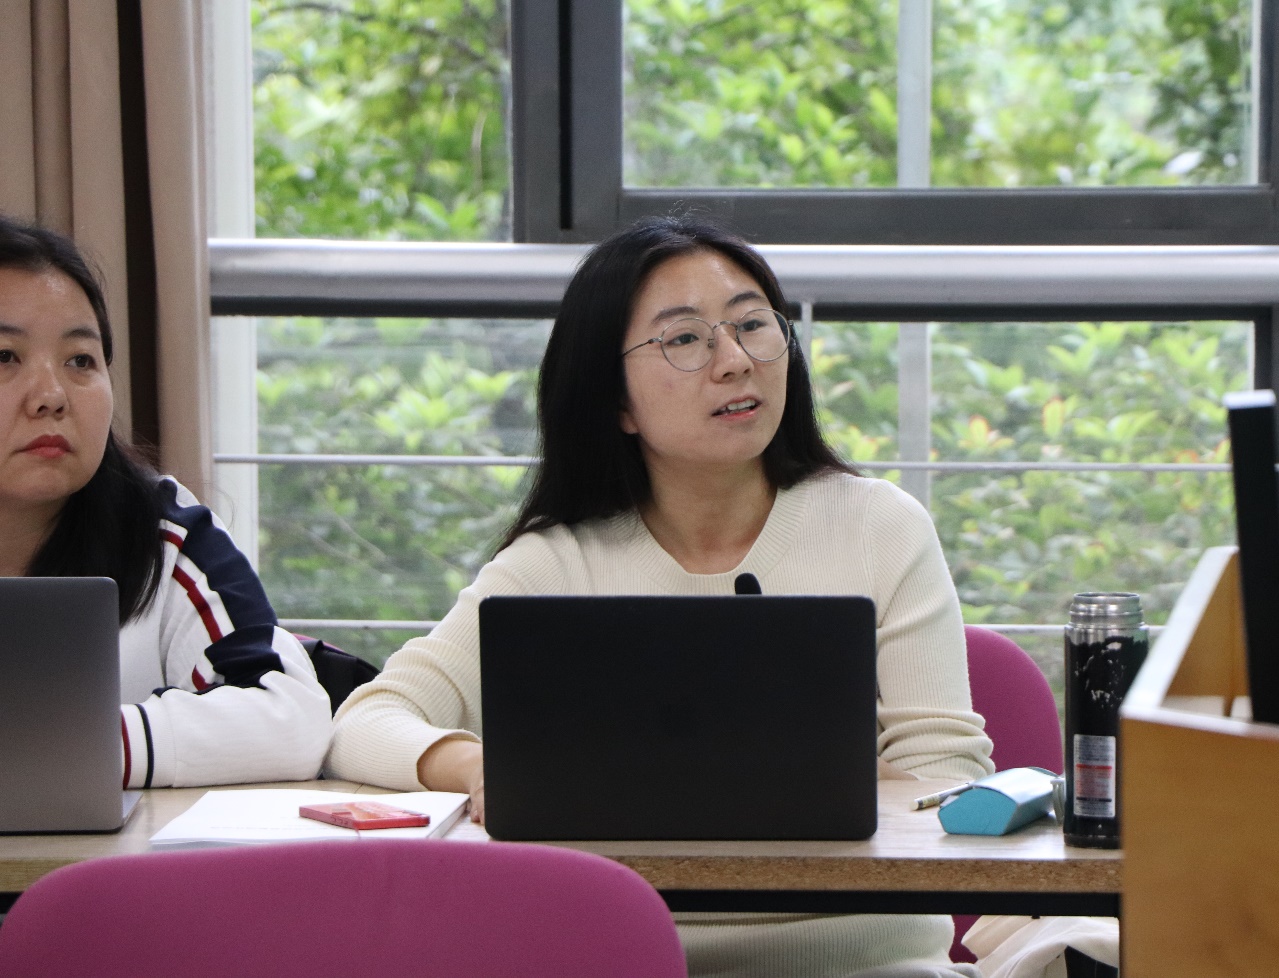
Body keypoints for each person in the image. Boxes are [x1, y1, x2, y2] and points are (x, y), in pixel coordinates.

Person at [328, 216, 994, 978]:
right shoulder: (559, 562)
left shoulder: (879, 526)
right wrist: (481, 768)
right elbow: (366, 722)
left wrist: (801, 781)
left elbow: (949, 780)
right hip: (624, 958)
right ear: (615, 400)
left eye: (752, 325)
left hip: (867, 962)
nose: (734, 361)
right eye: (684, 339)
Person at [0, 215, 331, 788]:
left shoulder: (160, 532)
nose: (51, 396)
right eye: (5, 356)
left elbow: (290, 716)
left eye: (80, 360)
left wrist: (72, 748)